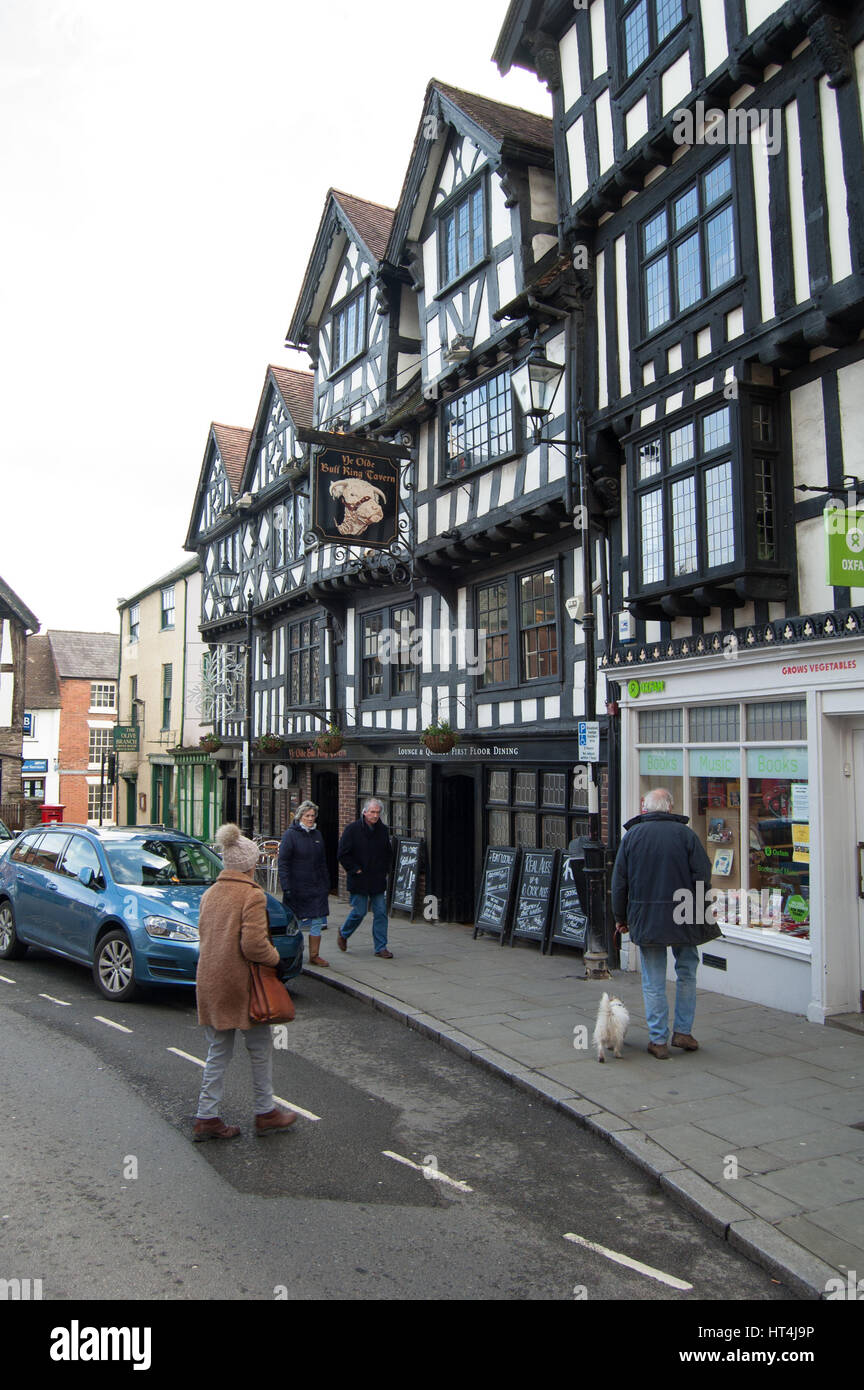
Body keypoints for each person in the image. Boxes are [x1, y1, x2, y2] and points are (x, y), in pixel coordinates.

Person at [193, 823, 297, 1139]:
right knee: (260, 1048)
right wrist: (277, 960)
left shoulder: (210, 893)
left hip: (210, 981)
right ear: (251, 865)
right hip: (243, 985)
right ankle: (265, 1112)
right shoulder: (252, 896)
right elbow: (253, 945)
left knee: (218, 1052)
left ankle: (206, 1117)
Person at [611, 787, 718, 1060]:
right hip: (685, 914)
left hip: (647, 918)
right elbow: (703, 875)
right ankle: (683, 1032)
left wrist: (620, 918)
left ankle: (658, 1041)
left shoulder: (632, 837)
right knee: (687, 973)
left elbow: (619, 882)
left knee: (653, 979)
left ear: (645, 809)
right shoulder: (686, 835)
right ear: (670, 808)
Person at [336, 798, 393, 958]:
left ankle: (381, 947)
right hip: (359, 879)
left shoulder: (382, 830)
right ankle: (344, 933)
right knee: (359, 912)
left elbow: (388, 852)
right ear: (365, 812)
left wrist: (385, 869)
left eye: (378, 812)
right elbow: (342, 854)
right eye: (372, 812)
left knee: (381, 912)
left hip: (377, 879)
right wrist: (355, 870)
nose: (375, 816)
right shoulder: (352, 830)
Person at [277, 800, 331, 967]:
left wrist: (326, 882)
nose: (310, 818)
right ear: (300, 816)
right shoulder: (290, 835)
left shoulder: (317, 835)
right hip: (297, 886)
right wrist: (286, 886)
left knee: (316, 920)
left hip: (316, 885)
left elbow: (322, 861)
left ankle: (314, 955)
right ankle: (295, 953)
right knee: (296, 922)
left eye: (313, 816)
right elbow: (283, 862)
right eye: (307, 815)